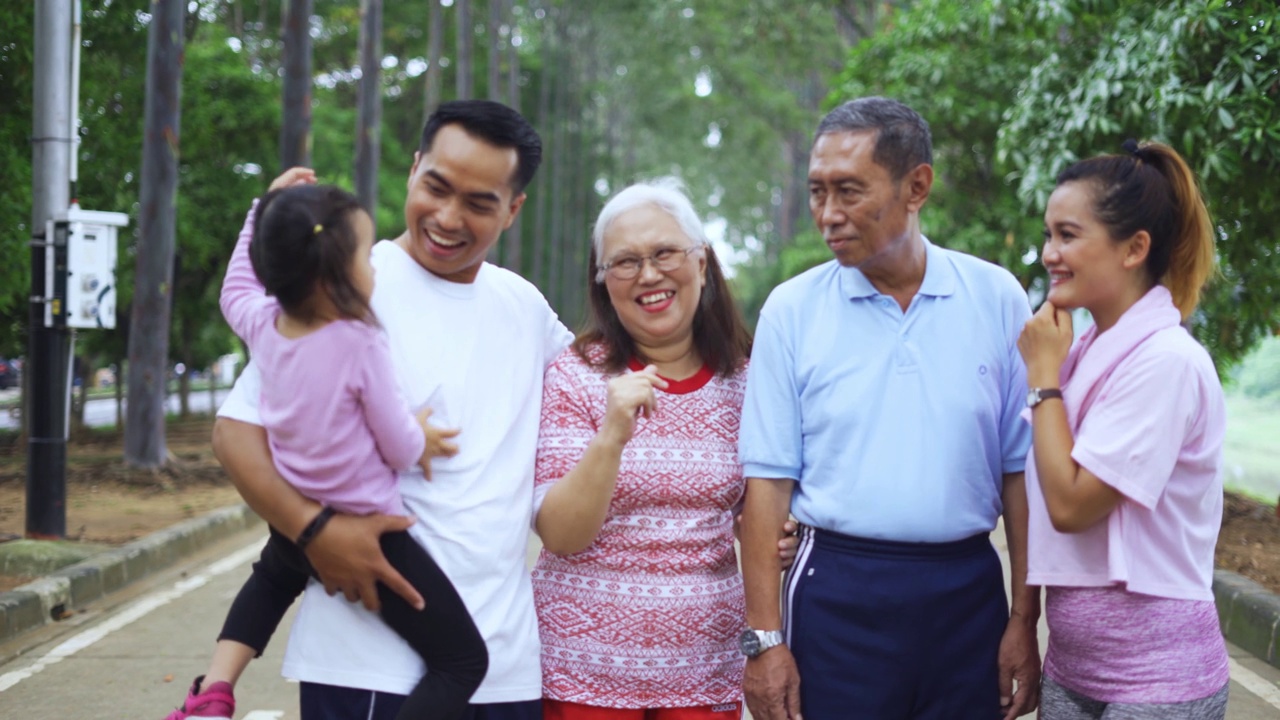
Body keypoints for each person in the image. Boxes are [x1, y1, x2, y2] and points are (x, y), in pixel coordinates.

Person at [210, 100, 571, 720]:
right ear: (413, 169)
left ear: (513, 209)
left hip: (507, 668)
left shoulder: (525, 307)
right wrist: (316, 531)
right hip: (366, 664)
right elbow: (235, 434)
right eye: (436, 187)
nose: (448, 217)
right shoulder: (341, 284)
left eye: (479, 203)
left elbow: (610, 376)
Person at [738, 96, 1041, 720]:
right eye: (818, 192)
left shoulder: (997, 298)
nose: (828, 214)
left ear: (917, 186)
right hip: (836, 592)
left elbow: (1019, 476)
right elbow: (767, 486)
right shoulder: (792, 312)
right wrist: (764, 642)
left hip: (967, 592)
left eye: (849, 191)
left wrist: (1023, 620)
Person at [164, 172, 487, 720]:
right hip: (368, 532)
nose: (376, 268)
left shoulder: (265, 325)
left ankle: (213, 693)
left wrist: (260, 210)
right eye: (366, 257)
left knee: (275, 572)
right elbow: (398, 445)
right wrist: (424, 437)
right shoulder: (361, 343)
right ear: (335, 278)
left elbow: (235, 288)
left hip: (298, 519)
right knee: (462, 662)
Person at [1018, 139, 1228, 719]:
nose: (1048, 254)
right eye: (1048, 235)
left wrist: (1041, 378)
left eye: (1067, 235)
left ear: (1135, 247)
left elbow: (1072, 505)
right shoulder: (1081, 351)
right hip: (1072, 670)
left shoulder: (1165, 360)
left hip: (1159, 684)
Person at [530, 179, 754, 720]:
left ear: (702, 263)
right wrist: (611, 434)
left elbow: (759, 517)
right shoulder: (575, 375)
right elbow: (560, 533)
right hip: (580, 674)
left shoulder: (749, 382)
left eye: (665, 254)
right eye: (625, 263)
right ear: (603, 283)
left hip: (705, 673)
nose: (649, 275)